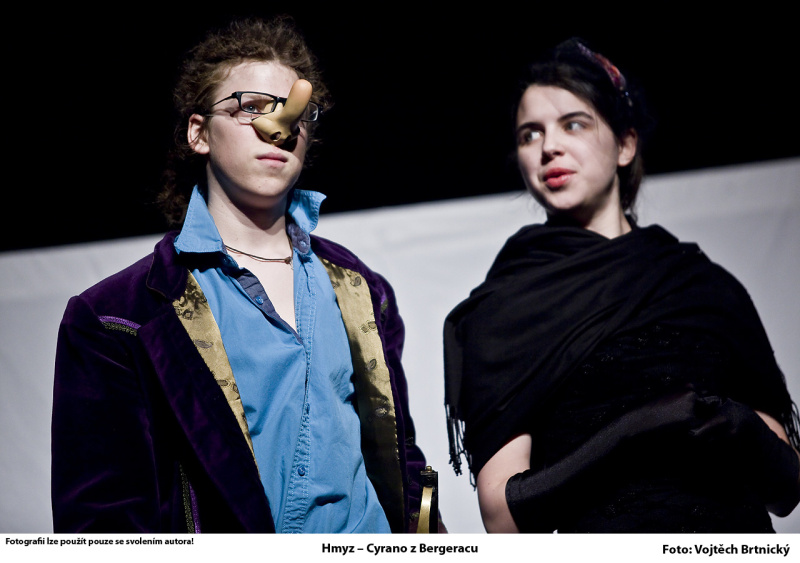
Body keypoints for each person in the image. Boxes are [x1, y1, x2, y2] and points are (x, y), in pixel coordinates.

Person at [52, 16, 442, 533]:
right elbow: (102, 520)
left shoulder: (361, 289)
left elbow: (399, 459)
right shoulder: (118, 317)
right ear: (199, 133)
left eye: (295, 111)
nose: (279, 127)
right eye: (250, 107)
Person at [443, 38, 800, 533]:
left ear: (626, 144)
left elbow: (786, 489)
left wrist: (743, 427)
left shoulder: (704, 286)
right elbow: (503, 520)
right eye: (530, 134)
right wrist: (631, 433)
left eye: (574, 124)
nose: (549, 147)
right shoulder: (505, 308)